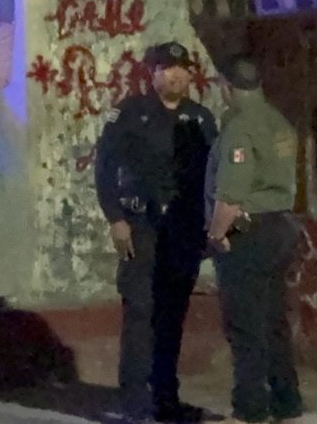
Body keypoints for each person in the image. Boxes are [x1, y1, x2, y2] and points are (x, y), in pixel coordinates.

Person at [94, 41, 217, 423]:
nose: (175, 75)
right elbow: (104, 167)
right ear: (153, 73)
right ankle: (134, 401)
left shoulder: (200, 119)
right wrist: (115, 217)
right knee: (140, 312)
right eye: (166, 68)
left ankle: (166, 399)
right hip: (141, 228)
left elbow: (212, 177)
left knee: (172, 315)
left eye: (181, 69)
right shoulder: (130, 113)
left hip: (181, 232)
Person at [205, 55, 304, 423]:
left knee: (245, 325)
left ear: (227, 87)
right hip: (280, 226)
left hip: (247, 231)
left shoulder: (240, 128)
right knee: (273, 320)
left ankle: (249, 409)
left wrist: (217, 235)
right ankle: (286, 400)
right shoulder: (278, 122)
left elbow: (230, 195)